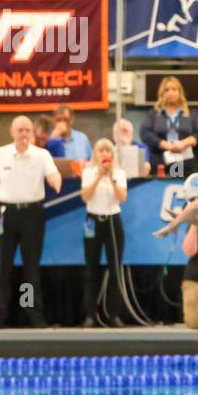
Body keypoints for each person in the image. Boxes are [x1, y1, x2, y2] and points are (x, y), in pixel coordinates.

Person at [0, 115, 62, 328]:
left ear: (33, 133)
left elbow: (53, 173)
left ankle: (32, 313)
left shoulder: (41, 155)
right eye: (20, 130)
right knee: (3, 268)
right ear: (12, 132)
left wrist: (55, 181)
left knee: (31, 269)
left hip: (32, 215)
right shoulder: (0, 154)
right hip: (7, 215)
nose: (24, 134)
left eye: (28, 130)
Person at [80, 137, 128, 327]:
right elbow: (85, 196)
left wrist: (111, 178)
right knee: (91, 269)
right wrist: (99, 176)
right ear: (96, 154)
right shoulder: (88, 172)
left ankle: (114, 314)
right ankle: (90, 315)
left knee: (115, 270)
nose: (105, 154)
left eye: (108, 151)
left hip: (112, 221)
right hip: (93, 221)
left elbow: (122, 197)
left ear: (112, 155)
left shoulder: (119, 173)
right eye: (101, 151)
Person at [141, 76, 198, 175]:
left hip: (186, 162)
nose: (171, 92)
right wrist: (164, 144)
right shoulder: (153, 114)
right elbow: (145, 133)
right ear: (162, 93)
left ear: (180, 92)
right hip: (161, 162)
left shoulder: (190, 113)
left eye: (174, 89)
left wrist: (183, 143)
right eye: (167, 90)